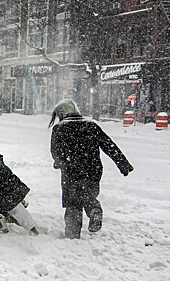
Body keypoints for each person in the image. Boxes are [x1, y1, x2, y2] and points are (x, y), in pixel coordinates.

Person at [49, 99, 133, 239]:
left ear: (62, 114)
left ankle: (72, 234)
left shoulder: (60, 128)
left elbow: (56, 151)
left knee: (73, 202)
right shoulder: (91, 126)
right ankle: (94, 209)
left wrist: (59, 162)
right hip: (93, 170)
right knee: (88, 194)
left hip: (71, 171)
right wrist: (123, 164)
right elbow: (109, 145)